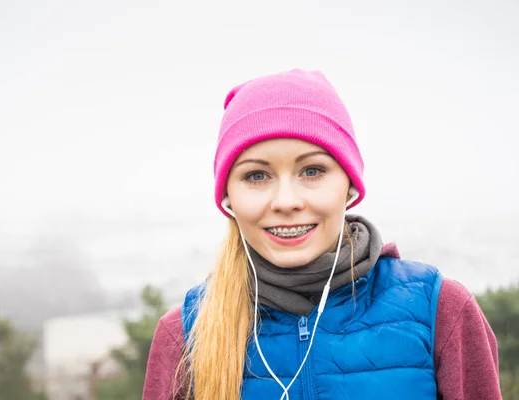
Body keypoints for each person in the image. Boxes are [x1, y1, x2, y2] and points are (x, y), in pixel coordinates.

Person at [142, 69, 502, 399]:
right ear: (227, 198)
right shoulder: (185, 334)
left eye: (312, 170)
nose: (286, 201)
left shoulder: (441, 310)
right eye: (256, 176)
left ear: (349, 184)